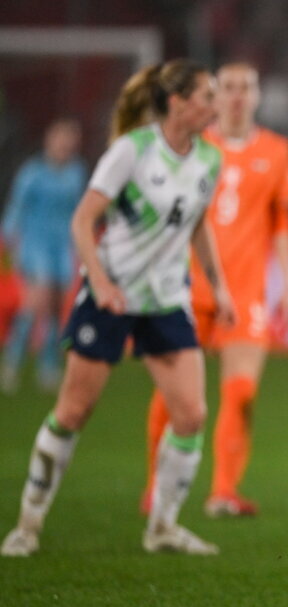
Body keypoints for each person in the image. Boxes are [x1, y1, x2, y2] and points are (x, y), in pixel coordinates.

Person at [1, 59, 234, 557]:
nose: (215, 106)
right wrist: (101, 282)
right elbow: (84, 222)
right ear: (178, 103)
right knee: (74, 410)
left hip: (166, 300)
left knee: (191, 414)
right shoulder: (132, 151)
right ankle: (27, 524)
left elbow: (197, 225)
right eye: (207, 96)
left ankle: (163, 528)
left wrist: (219, 286)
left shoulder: (209, 161)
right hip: (113, 294)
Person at [140, 62, 288, 518]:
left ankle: (222, 491)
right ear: (214, 95)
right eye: (227, 87)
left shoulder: (276, 149)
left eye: (245, 87)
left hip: (246, 290)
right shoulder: (193, 146)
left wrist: (287, 283)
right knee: (174, 394)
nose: (236, 95)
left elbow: (281, 220)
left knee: (242, 393)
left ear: (257, 95)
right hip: (187, 285)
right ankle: (155, 485)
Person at [1, 118, 86, 393]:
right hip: (35, 243)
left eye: (69, 140)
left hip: (63, 244)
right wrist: (10, 242)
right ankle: (11, 362)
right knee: (35, 301)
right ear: (49, 140)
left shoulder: (75, 173)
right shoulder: (33, 172)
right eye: (60, 138)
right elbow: (16, 207)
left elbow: (80, 210)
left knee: (57, 306)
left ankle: (48, 365)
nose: (64, 145)